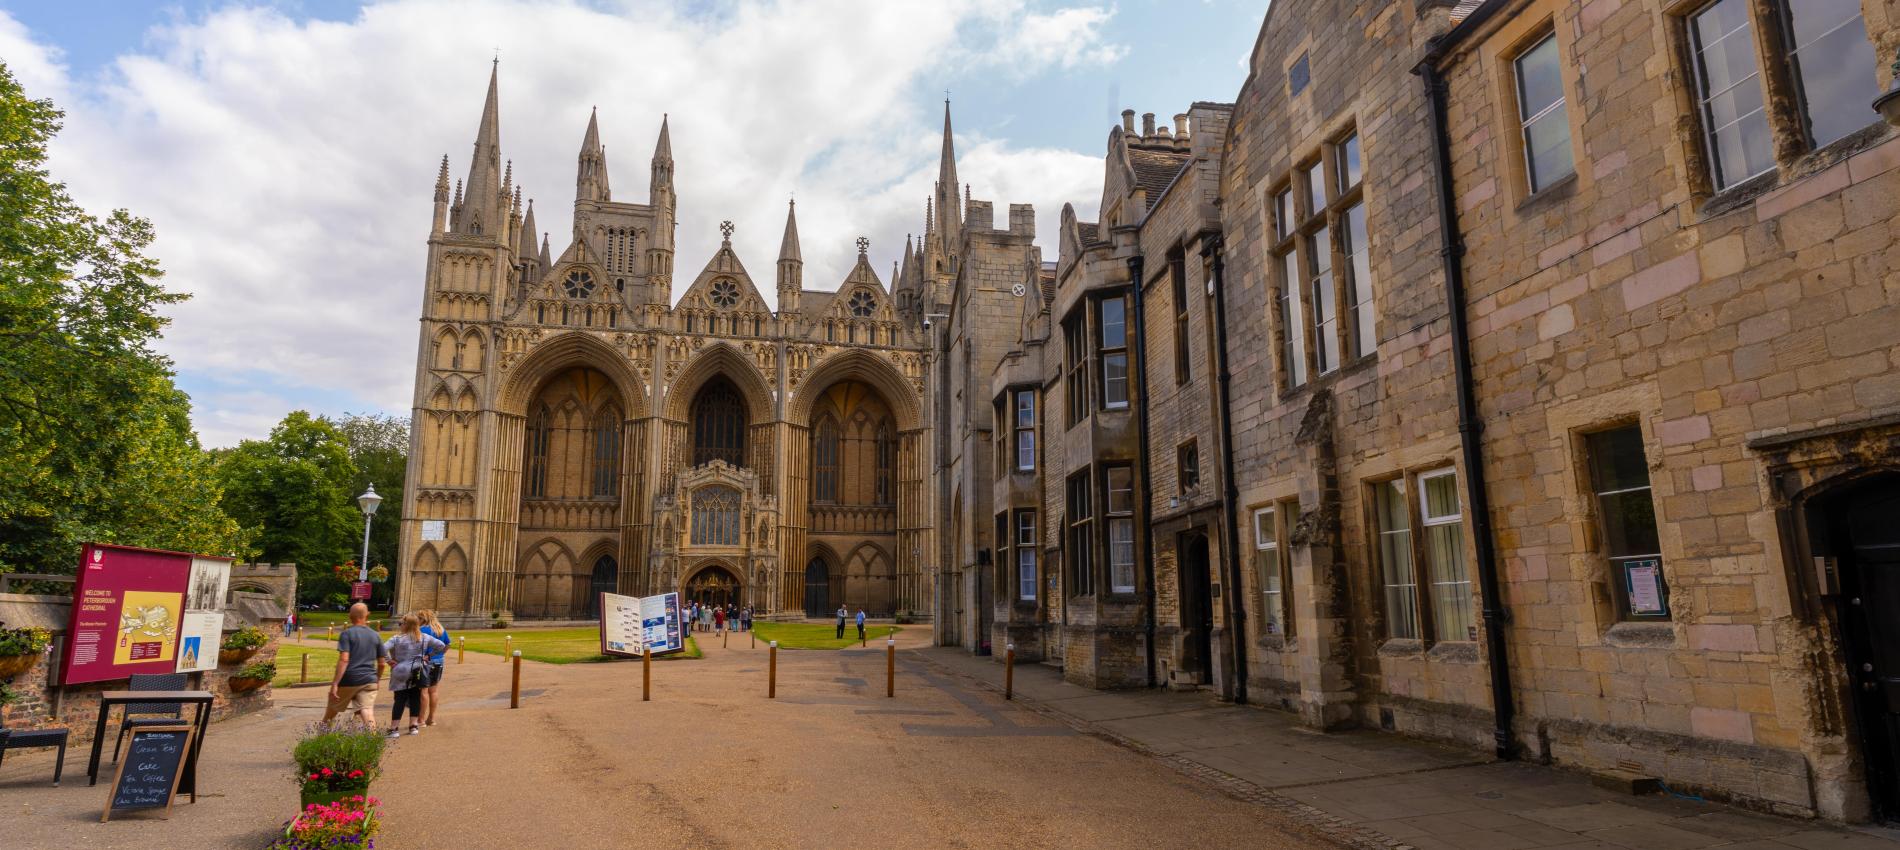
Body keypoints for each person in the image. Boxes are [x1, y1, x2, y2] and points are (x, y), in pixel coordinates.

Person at [322, 603, 387, 728]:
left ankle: (320, 741)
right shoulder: (376, 635)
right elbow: (382, 663)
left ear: (350, 616)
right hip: (369, 680)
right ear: (367, 615)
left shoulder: (347, 634)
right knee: (367, 711)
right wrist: (377, 679)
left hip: (349, 679)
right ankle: (372, 743)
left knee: (330, 714)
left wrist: (335, 683)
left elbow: (344, 660)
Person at [382, 613, 445, 739]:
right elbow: (441, 646)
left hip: (400, 670)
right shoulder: (424, 637)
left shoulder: (397, 638)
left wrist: (389, 660)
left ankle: (394, 728)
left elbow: (381, 648)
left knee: (399, 699)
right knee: (415, 697)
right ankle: (413, 726)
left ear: (406, 625)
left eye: (401, 623)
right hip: (418, 669)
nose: (400, 626)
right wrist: (428, 656)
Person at [418, 609, 450, 727]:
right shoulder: (440, 629)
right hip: (439, 661)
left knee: (424, 691)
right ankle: (431, 718)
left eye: (419, 618)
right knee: (434, 691)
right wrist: (440, 654)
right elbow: (448, 644)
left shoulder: (421, 630)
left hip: (426, 661)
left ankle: (421, 720)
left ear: (424, 619)